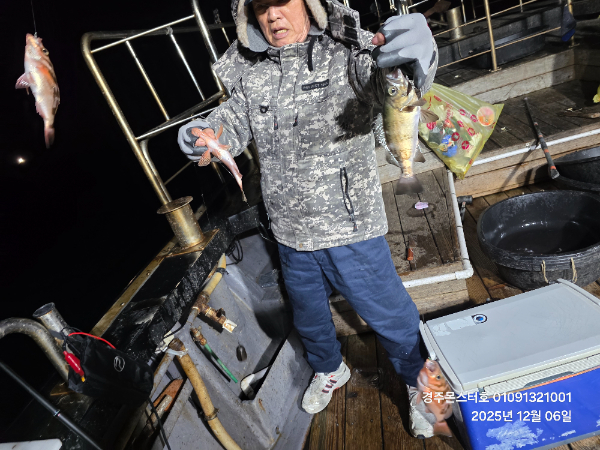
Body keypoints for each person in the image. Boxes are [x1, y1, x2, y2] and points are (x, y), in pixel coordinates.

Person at [177, 0, 438, 438]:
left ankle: (420, 382)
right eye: (261, 6)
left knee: (391, 316)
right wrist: (203, 133)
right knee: (310, 318)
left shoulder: (347, 54)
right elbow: (231, 121)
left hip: (350, 228)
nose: (272, 15)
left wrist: (418, 58)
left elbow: (389, 82)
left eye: (281, 1)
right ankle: (330, 368)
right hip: (289, 232)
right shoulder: (252, 72)